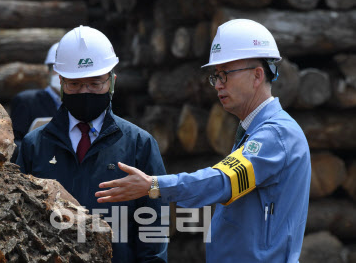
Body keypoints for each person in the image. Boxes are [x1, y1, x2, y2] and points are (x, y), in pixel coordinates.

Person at [96, 19, 311, 263]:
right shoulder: (257, 131)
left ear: (257, 75)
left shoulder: (275, 135)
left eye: (226, 75)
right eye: (216, 76)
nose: (218, 84)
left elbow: (222, 181)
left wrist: (154, 185)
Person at [16, 26, 168, 263]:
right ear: (61, 82)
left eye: (95, 84)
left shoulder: (139, 144)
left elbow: (154, 228)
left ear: (112, 81)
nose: (84, 92)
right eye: (75, 85)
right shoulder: (34, 146)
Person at [10, 42, 62, 162]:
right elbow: (13, 144)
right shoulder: (27, 101)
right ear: (48, 71)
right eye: (57, 68)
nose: (61, 75)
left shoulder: (80, 104)